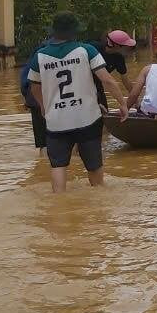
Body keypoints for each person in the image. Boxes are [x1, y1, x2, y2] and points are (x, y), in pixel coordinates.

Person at [27, 13, 129, 193]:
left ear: (54, 32)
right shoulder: (87, 50)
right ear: (75, 32)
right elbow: (108, 80)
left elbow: (34, 87)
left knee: (58, 166)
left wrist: (44, 107)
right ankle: (99, 202)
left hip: (56, 121)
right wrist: (122, 104)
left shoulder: (39, 56)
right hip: (87, 118)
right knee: (94, 165)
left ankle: (59, 202)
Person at [20, 36, 49, 152]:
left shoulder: (36, 55)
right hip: (52, 99)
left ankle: (42, 161)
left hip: (34, 99)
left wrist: (27, 99)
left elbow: (24, 81)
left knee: (42, 139)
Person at [99, 29, 137, 93]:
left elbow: (125, 80)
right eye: (127, 46)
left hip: (97, 86)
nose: (129, 51)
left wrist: (135, 98)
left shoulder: (119, 58)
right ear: (117, 45)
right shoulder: (95, 49)